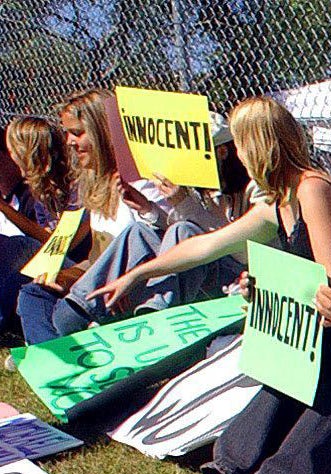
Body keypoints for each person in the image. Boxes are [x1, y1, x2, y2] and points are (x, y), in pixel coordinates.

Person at [90, 95, 331, 474]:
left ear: (257, 145)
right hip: (320, 329)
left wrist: (276, 288)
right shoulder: (278, 203)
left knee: (302, 359)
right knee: (285, 366)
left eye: (239, 145)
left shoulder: (313, 190)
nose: (237, 156)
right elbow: (206, 245)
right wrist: (140, 272)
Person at [42, 116, 260, 337]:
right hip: (203, 267)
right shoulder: (200, 191)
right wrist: (148, 209)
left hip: (236, 278)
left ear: (221, 153)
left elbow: (236, 247)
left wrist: (183, 204)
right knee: (139, 231)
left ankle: (155, 313)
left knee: (182, 230)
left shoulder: (250, 190)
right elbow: (187, 237)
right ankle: (82, 305)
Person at [14, 90, 175, 345]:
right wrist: (63, 277)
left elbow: (166, 240)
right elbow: (96, 258)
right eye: (67, 133)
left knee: (65, 316)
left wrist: (127, 279)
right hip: (99, 284)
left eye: (77, 133)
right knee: (33, 295)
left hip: (136, 286)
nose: (68, 142)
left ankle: (63, 355)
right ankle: (55, 358)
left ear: (103, 133)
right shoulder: (93, 185)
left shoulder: (138, 182)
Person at [0, 117, 78, 332]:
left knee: (18, 246)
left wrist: (5, 209)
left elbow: (59, 242)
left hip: (82, 261)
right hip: (56, 258)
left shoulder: (73, 185)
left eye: (12, 151)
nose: (11, 157)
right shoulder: (41, 191)